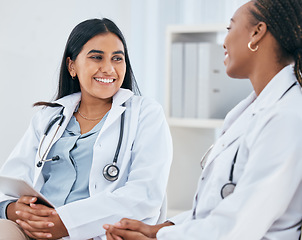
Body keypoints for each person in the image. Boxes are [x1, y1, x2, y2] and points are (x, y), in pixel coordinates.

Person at [104, 0, 302, 239]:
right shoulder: (249, 110)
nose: (224, 42)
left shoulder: (287, 115)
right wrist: (161, 229)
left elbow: (241, 223)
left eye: (230, 29)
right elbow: (217, 206)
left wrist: (159, 239)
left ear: (257, 32)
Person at [0, 18, 173, 240]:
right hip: (38, 230)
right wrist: (12, 209)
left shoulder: (145, 114)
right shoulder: (48, 118)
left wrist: (67, 223)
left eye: (117, 58)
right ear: (72, 65)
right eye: (97, 57)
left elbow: (144, 196)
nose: (109, 68)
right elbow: (10, 180)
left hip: (99, 232)